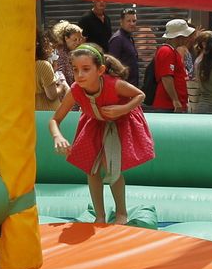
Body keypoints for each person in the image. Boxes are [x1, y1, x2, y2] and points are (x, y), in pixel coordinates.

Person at [50, 43, 154, 224]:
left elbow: (140, 95)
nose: (79, 75)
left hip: (119, 122)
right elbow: (55, 119)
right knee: (91, 168)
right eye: (75, 70)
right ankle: (100, 215)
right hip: (95, 123)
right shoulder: (75, 90)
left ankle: (122, 213)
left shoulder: (114, 85)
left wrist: (123, 108)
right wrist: (57, 136)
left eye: (86, 69)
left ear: (100, 70)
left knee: (110, 164)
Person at [150, 19, 194, 113]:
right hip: (168, 105)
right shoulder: (167, 51)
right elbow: (166, 77)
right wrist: (175, 100)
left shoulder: (172, 51)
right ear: (179, 36)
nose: (187, 38)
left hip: (172, 104)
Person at [34, 28, 67, 112]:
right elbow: (52, 95)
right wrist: (62, 86)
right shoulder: (42, 65)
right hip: (47, 114)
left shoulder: (17, 67)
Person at [106, 7, 141, 85]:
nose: (132, 23)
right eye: (128, 21)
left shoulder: (129, 37)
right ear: (121, 22)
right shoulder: (117, 39)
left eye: (134, 21)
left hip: (131, 85)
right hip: (123, 86)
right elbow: (113, 66)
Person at [51, 20, 84, 85]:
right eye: (75, 39)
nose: (78, 42)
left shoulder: (73, 52)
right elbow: (61, 76)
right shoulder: (60, 53)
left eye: (79, 39)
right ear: (66, 38)